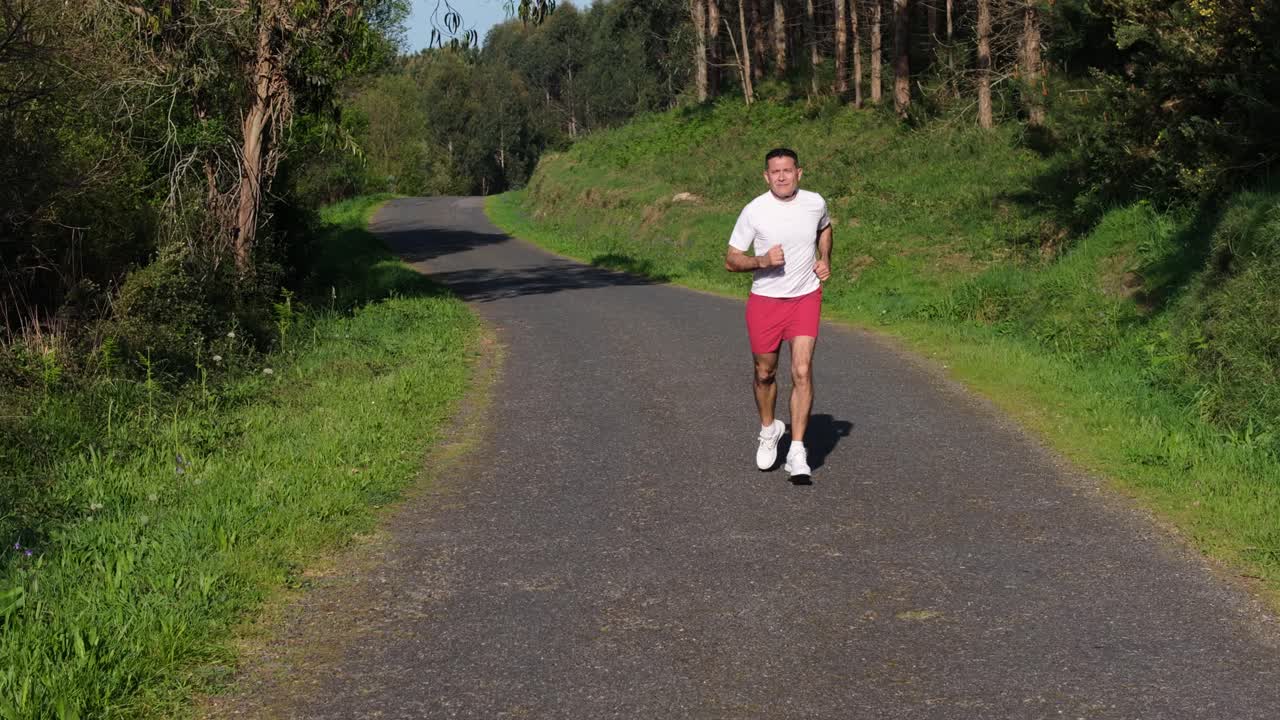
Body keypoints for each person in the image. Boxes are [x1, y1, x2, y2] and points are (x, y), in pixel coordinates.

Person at [724, 147, 832, 480]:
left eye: (788, 170)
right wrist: (762, 261)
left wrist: (824, 259)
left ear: (799, 172)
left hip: (805, 297)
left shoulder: (815, 203)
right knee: (764, 372)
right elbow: (731, 259)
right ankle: (770, 429)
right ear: (766, 176)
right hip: (765, 301)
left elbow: (825, 229)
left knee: (802, 370)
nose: (782, 176)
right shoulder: (754, 211)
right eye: (775, 172)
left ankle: (797, 451)